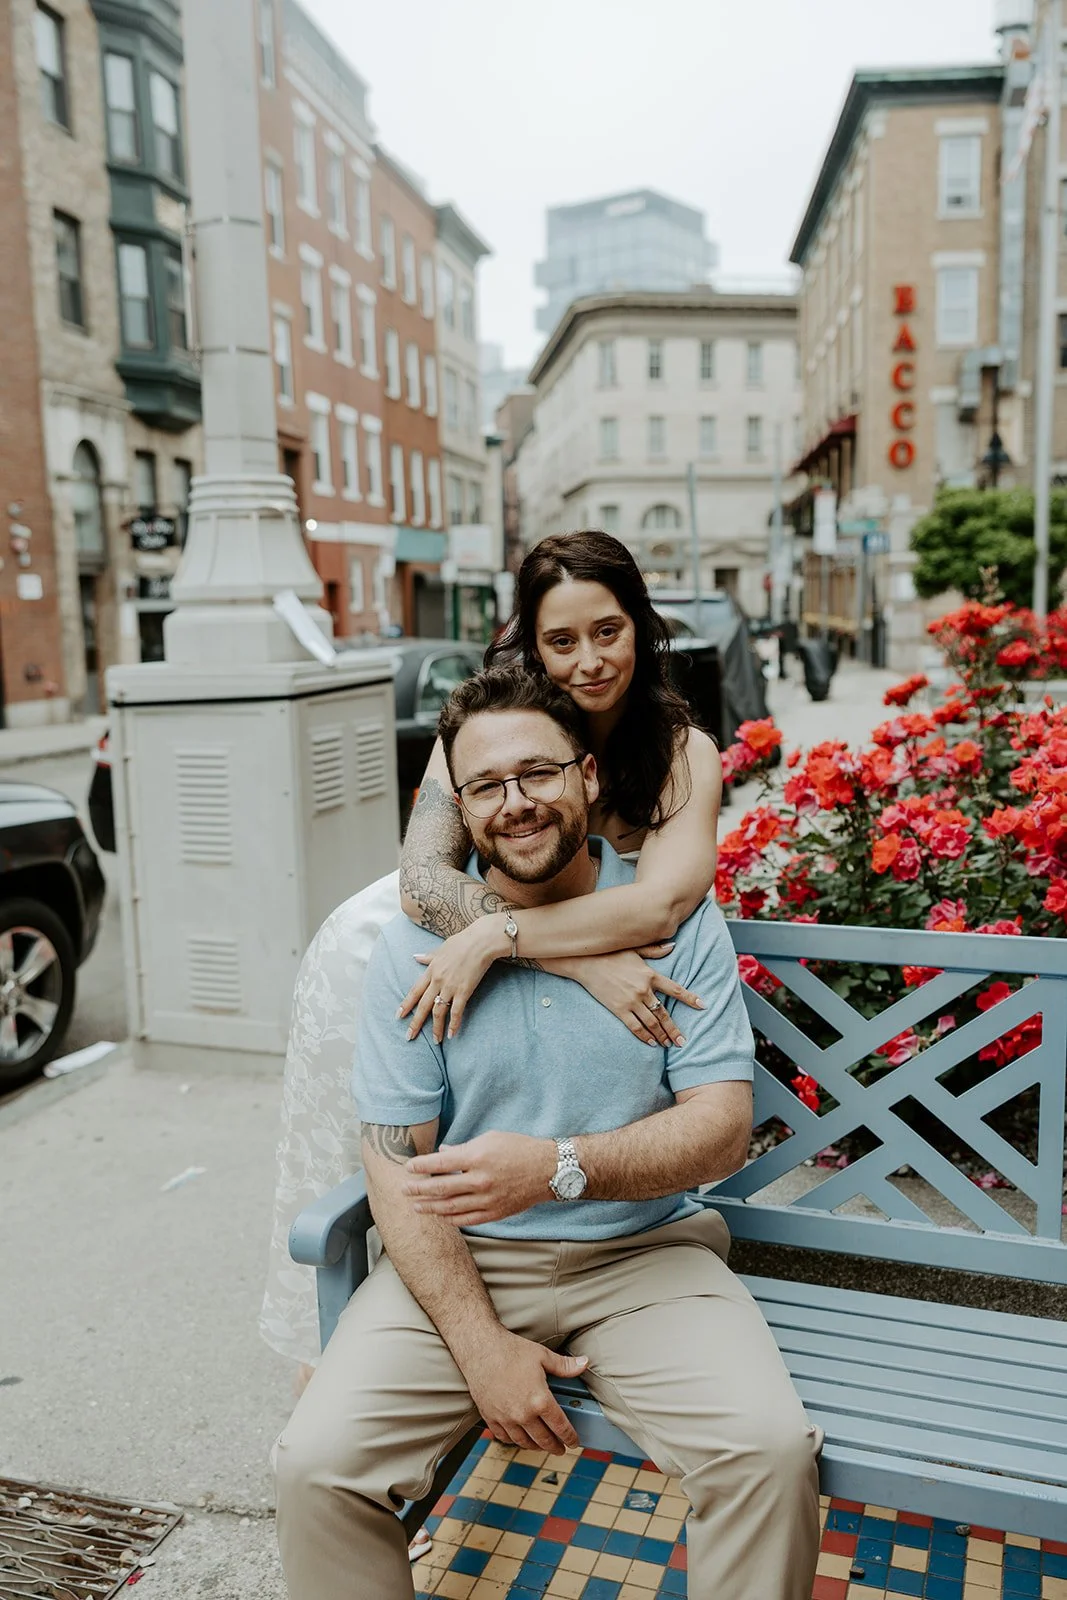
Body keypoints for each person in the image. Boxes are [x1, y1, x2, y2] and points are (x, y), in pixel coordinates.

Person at [273, 666, 821, 1600]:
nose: (515, 804)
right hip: (458, 1264)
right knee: (315, 1468)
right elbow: (392, 1158)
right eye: (486, 785)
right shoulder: (415, 941)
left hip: (644, 1256)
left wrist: (558, 1169)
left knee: (765, 1458)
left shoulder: (672, 923)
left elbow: (721, 1132)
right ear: (458, 803)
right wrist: (481, 1348)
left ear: (589, 777)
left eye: (538, 774)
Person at [259, 531, 723, 1378]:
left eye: (608, 631)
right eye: (560, 640)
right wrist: (573, 957)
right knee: (377, 1135)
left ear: (641, 626)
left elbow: (661, 903)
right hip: (432, 938)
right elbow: (420, 882)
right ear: (530, 642)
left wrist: (513, 940)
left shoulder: (680, 751)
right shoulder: (483, 726)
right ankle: (348, 1354)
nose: (588, 661)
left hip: (529, 929)